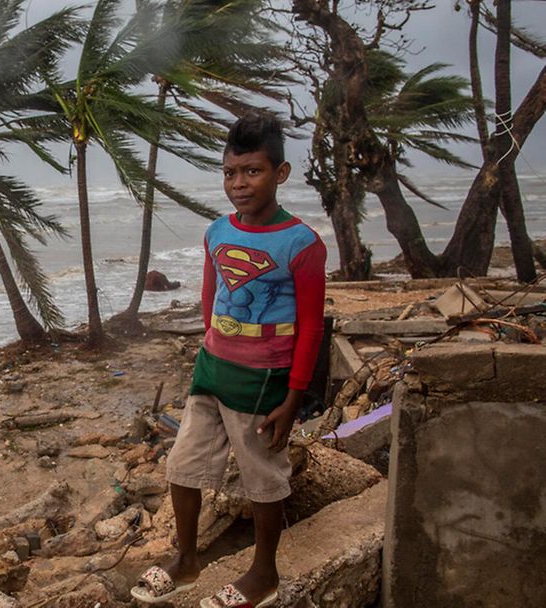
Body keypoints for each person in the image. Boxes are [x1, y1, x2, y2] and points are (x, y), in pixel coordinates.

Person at [130, 112, 326, 607]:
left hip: (263, 382)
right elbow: (210, 296)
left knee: (262, 476)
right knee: (183, 464)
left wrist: (295, 396)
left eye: (252, 171)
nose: (239, 184)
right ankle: (187, 560)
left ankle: (264, 575)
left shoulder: (302, 245)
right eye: (230, 173)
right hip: (211, 371)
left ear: (280, 173)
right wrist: (212, 342)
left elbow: (311, 327)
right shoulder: (217, 231)